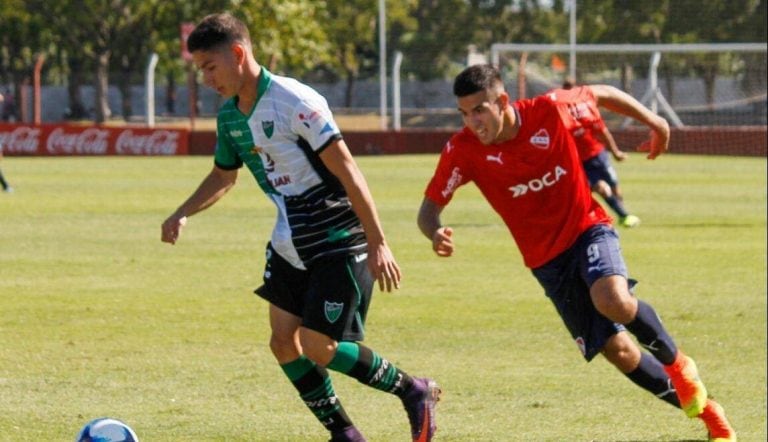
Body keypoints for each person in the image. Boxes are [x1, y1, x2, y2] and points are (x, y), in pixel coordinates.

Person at [417, 64, 735, 441]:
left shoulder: (550, 110)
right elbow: (428, 210)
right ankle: (709, 414)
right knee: (619, 352)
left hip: (588, 228)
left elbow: (601, 92)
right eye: (465, 114)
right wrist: (435, 233)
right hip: (546, 263)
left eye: (480, 110)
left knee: (612, 299)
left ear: (502, 101)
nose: (473, 122)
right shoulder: (462, 150)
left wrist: (655, 122)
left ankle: (680, 366)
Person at [160, 13, 439, 442]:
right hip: (290, 238)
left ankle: (413, 390)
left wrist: (379, 241)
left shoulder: (294, 101)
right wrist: (183, 211)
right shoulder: (230, 117)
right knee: (282, 341)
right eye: (200, 70)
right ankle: (345, 435)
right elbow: (223, 176)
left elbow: (348, 170)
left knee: (318, 346)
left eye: (209, 67)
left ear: (238, 53)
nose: (205, 78)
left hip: (338, 235)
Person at [558, 77, 640, 227]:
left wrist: (615, 152)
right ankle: (623, 216)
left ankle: (621, 211)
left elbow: (603, 132)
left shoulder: (585, 111)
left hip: (599, 155)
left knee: (614, 186)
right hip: (581, 162)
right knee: (600, 187)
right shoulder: (560, 117)